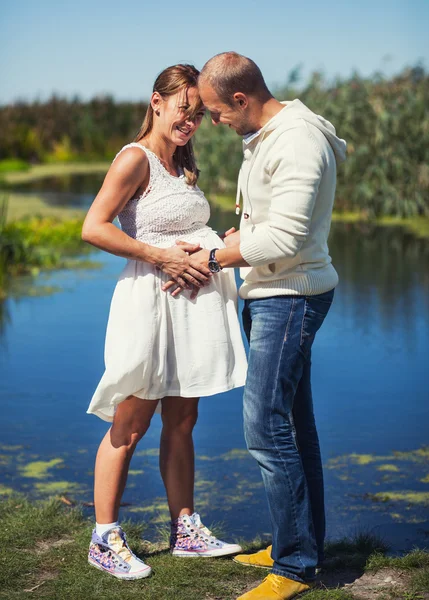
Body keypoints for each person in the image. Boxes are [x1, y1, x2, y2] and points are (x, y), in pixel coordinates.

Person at [167, 52, 346, 600]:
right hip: (275, 294)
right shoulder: (271, 137)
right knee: (294, 428)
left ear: (241, 100)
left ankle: (293, 568)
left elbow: (287, 239)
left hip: (289, 300)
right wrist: (231, 235)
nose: (213, 123)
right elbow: (268, 223)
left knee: (266, 430)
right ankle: (300, 541)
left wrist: (215, 258)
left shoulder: (296, 141)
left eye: (217, 113)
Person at [82, 63, 247, 580]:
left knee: (183, 421)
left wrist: (215, 242)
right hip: (149, 305)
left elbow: (186, 226)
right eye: (183, 109)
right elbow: (93, 227)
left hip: (188, 312)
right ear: (157, 102)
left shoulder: (183, 166)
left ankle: (185, 530)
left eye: (198, 114)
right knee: (130, 423)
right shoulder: (136, 160)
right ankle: (104, 538)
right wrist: (161, 255)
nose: (190, 122)